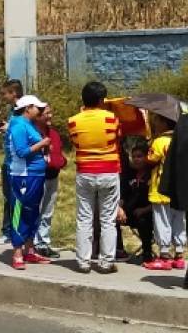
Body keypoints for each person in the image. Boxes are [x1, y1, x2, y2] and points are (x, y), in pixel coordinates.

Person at [68, 81, 121, 274]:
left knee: (84, 218)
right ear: (101, 100)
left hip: (85, 172)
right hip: (108, 171)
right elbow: (118, 137)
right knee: (108, 219)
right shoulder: (111, 118)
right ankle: (106, 262)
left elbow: (75, 142)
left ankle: (83, 262)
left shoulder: (73, 121)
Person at [6, 95, 52, 270]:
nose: (40, 111)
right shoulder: (18, 125)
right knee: (20, 212)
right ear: (27, 108)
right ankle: (17, 252)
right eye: (37, 108)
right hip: (22, 176)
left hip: (36, 175)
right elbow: (21, 152)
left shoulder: (29, 124)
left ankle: (29, 249)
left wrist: (44, 147)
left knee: (33, 212)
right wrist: (43, 143)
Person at [143, 113, 186, 270]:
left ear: (164, 123)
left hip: (162, 189)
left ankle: (164, 256)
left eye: (157, 121)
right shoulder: (182, 139)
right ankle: (179, 255)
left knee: (162, 221)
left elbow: (150, 160)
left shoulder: (160, 141)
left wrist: (150, 145)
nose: (155, 124)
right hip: (180, 190)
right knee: (179, 221)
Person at [33, 104, 67, 259]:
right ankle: (32, 243)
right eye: (47, 113)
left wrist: (61, 161)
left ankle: (43, 242)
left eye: (51, 112)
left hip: (53, 176)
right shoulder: (33, 134)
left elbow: (58, 153)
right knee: (36, 210)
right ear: (38, 115)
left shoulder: (53, 134)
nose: (50, 116)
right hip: (38, 177)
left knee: (47, 211)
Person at [0, 79, 23, 245]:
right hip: (8, 160)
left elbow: (24, 130)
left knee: (16, 198)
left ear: (13, 93)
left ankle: (16, 231)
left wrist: (9, 128)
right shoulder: (12, 111)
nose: (3, 97)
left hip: (17, 163)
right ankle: (7, 231)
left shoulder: (23, 110)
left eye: (5, 93)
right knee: (8, 197)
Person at [115, 144, 154, 264]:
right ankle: (119, 250)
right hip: (130, 212)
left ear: (147, 157)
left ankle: (147, 253)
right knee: (112, 219)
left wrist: (144, 210)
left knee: (143, 221)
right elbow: (124, 195)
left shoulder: (152, 174)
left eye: (140, 156)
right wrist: (120, 209)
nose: (136, 159)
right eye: (134, 157)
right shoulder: (129, 174)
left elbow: (158, 201)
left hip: (148, 213)